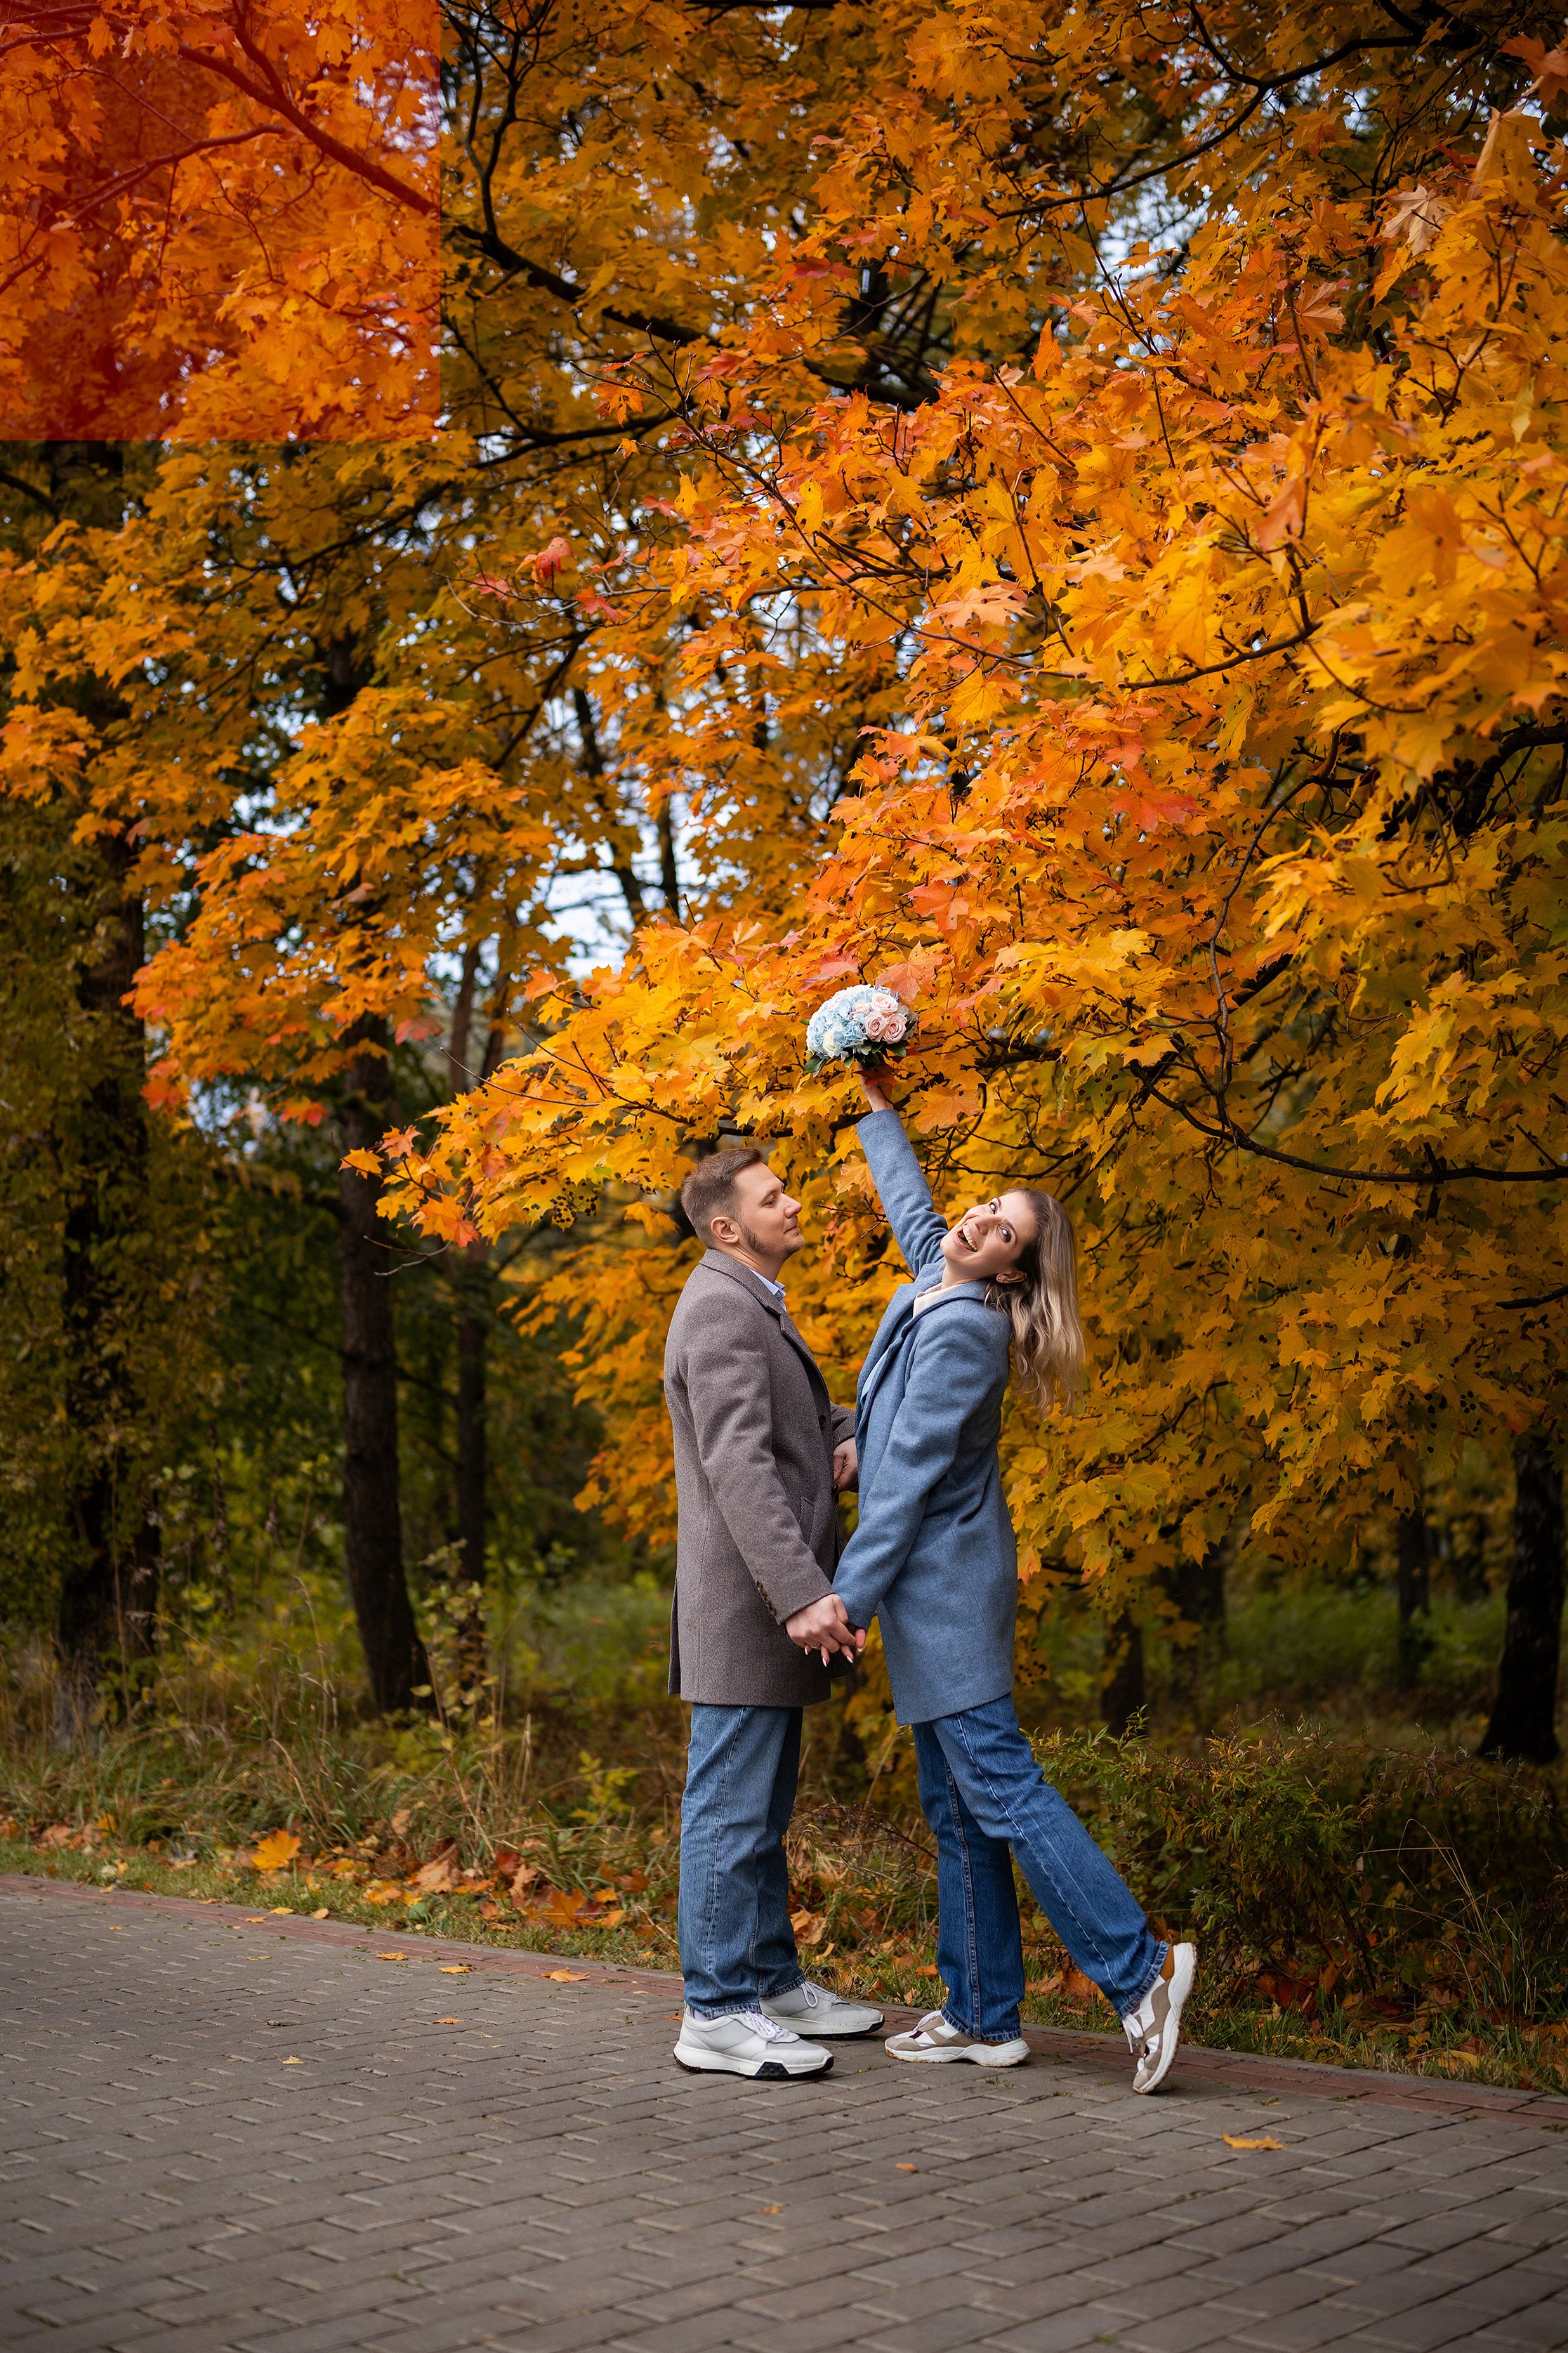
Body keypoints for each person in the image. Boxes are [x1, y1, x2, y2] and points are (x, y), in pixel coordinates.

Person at [806, 1075, 1195, 2094]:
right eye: (989, 1205)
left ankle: (1139, 1968)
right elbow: (913, 1206)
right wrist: (870, 1101)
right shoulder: (939, 1275)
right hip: (933, 1588)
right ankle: (982, 2013)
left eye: (1005, 1232)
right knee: (957, 1805)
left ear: (1014, 1275)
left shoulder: (967, 1329)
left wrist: (847, 1597)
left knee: (1002, 1790)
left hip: (941, 1591)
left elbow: (905, 1487)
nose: (979, 1220)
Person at [664, 1146, 884, 2079]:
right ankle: (713, 2009)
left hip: (764, 1609)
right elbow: (739, 1466)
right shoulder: (719, 1308)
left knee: (759, 1808)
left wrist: (850, 1433)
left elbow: (796, 1422)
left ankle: (766, 1979)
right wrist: (801, 1592)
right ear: (726, 1226)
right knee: (728, 1811)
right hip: (747, 1608)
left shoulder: (753, 1304)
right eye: (772, 1197)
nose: (792, 1204)